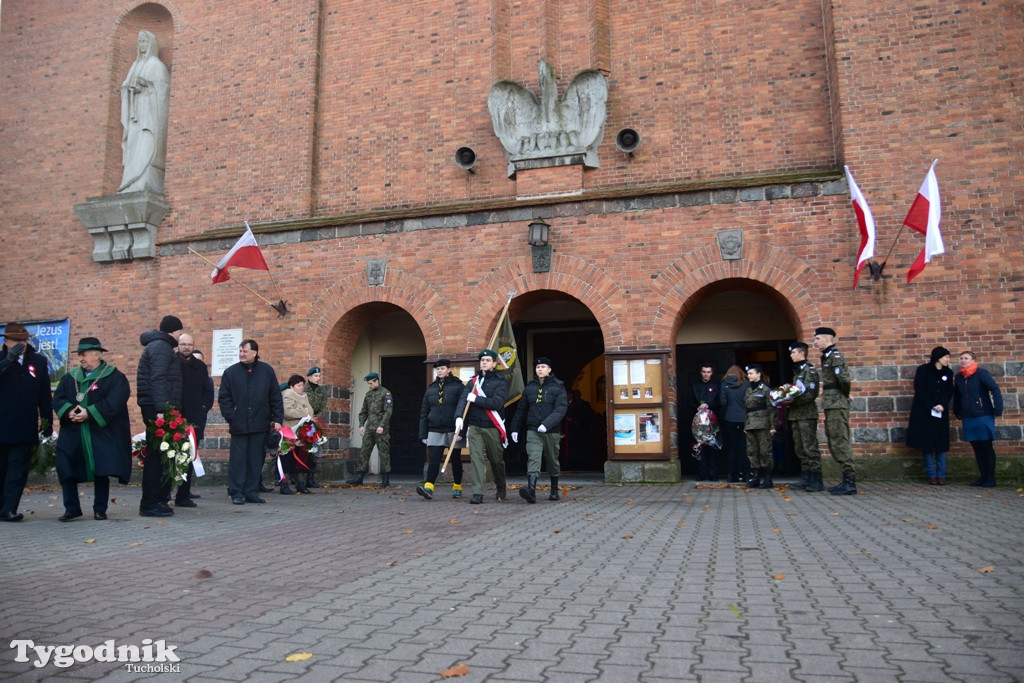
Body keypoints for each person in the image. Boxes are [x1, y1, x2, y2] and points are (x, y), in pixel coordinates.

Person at [53, 338, 132, 521]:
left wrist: (90, 413)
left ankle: (100, 508)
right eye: (79, 355)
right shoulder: (70, 377)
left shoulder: (114, 377)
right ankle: (71, 507)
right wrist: (69, 411)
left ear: (97, 354)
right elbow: (58, 399)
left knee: (101, 469)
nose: (80, 358)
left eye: (84, 354)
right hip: (73, 432)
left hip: (100, 430)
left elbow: (116, 401)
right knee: (65, 466)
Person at [218, 339, 283, 504]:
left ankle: (252, 491)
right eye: (240, 351)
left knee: (256, 460)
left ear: (254, 352)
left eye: (245, 351)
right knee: (238, 461)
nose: (241, 354)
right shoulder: (231, 372)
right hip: (239, 424)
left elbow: (275, 396)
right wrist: (231, 415)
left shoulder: (266, 371)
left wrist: (277, 419)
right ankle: (237, 492)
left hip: (260, 424)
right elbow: (224, 398)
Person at [0, 323, 53, 522]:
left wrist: (47, 422)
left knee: (17, 471)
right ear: (6, 342)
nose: (21, 344)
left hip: (24, 426)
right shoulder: (2, 359)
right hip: (2, 425)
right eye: (17, 341)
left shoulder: (38, 361)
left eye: (24, 340)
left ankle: (9, 508)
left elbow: (44, 395)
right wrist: (8, 360)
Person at [136, 315, 183, 517]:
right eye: (180, 330)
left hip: (155, 405)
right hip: (157, 408)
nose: (181, 334)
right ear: (173, 330)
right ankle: (149, 503)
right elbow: (158, 379)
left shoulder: (159, 346)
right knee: (156, 456)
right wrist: (162, 410)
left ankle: (156, 500)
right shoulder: (161, 347)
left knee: (159, 455)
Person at [454, 349, 509, 505]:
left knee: (496, 460)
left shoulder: (501, 381)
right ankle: (478, 492)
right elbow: (463, 400)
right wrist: (458, 416)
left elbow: (496, 403)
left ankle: (501, 486)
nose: (484, 362)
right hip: (475, 425)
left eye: (487, 360)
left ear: (494, 363)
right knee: (476, 459)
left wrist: (476, 399)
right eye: (482, 360)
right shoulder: (473, 381)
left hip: (492, 426)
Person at [118, 30, 170, 194]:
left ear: (151, 44)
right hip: (135, 115)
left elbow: (163, 91)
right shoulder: (135, 65)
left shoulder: (156, 65)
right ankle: (130, 181)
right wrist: (128, 89)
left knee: (146, 144)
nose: (142, 45)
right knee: (134, 146)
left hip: (148, 116)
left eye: (145, 42)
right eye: (140, 42)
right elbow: (124, 87)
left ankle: (145, 178)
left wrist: (146, 85)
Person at [511, 357, 568, 503]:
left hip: (551, 431)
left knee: (552, 461)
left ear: (549, 369)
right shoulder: (529, 387)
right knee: (533, 458)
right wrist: (515, 429)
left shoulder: (558, 387)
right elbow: (521, 410)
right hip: (533, 430)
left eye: (543, 367)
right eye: (538, 367)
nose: (540, 369)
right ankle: (531, 491)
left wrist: (547, 424)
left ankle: (554, 490)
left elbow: (561, 409)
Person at [172, 334, 213, 507]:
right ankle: (164, 494)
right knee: (170, 455)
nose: (186, 347)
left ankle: (183, 495)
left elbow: (207, 390)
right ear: (177, 346)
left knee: (188, 457)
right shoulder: (171, 363)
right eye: (183, 344)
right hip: (174, 417)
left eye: (190, 344)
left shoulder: (200, 367)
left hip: (194, 418)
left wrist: (202, 408)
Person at [814, 327, 856, 496]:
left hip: (837, 403)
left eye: (817, 339)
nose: (815, 342)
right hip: (832, 404)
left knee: (840, 440)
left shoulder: (834, 356)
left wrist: (845, 394)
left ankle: (850, 482)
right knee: (834, 439)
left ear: (826, 339)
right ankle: (846, 480)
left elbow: (844, 379)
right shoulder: (827, 356)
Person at [416, 359, 466, 500]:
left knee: (455, 459)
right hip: (434, 429)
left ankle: (457, 487)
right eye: (437, 369)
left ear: (449, 369)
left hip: (452, 429)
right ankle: (428, 488)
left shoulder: (458, 386)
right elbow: (424, 413)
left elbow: (464, 409)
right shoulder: (431, 388)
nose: (439, 371)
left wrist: (461, 431)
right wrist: (423, 433)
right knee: (434, 459)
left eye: (442, 368)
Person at [953, 351, 1003, 487]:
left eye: (966, 358)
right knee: (976, 447)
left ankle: (990, 479)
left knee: (986, 446)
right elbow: (957, 395)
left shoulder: (981, 373)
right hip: (968, 416)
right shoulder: (959, 377)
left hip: (983, 414)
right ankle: (983, 477)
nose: (963, 360)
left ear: (973, 360)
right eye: (961, 358)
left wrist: (998, 408)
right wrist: (957, 410)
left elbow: (995, 389)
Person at [906, 346, 955, 485]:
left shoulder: (948, 372)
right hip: (925, 412)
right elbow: (920, 389)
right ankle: (932, 475)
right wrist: (931, 405)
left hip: (940, 412)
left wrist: (942, 404)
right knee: (927, 444)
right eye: (946, 357)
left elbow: (949, 391)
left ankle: (942, 475)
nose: (948, 359)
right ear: (938, 357)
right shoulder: (924, 370)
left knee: (941, 444)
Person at [787, 342, 823, 492]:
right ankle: (806, 477)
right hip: (796, 415)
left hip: (806, 414)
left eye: (793, 352)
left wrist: (792, 400)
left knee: (810, 447)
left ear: (802, 353)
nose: (791, 355)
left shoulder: (810, 370)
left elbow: (810, 393)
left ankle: (817, 480)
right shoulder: (798, 371)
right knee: (800, 448)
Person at [347, 372, 393, 487]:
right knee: (364, 452)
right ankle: (359, 476)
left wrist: (382, 426)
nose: (369, 385)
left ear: (377, 381)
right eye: (368, 384)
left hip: (381, 429)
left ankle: (385, 478)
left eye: (371, 383)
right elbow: (363, 412)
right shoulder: (368, 395)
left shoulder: (386, 393)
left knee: (383, 452)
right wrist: (361, 425)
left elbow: (388, 412)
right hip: (369, 428)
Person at [281, 374, 315, 495]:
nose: (301, 388)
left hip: (302, 432)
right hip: (289, 431)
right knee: (287, 458)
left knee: (302, 458)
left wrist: (307, 414)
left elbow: (310, 411)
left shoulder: (304, 397)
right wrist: (303, 412)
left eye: (302, 385)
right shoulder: (288, 396)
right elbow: (287, 413)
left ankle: (301, 484)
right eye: (298, 385)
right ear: (292, 386)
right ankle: (284, 485)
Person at [743, 364, 777, 489]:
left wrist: (773, 426)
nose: (749, 375)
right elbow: (746, 409)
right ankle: (756, 477)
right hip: (750, 425)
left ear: (758, 374)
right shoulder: (748, 390)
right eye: (748, 373)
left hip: (763, 425)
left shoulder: (766, 389)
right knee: (752, 451)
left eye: (751, 373)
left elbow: (772, 409)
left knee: (765, 451)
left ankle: (768, 479)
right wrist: (745, 425)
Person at [688, 363, 723, 481]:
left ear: (712, 373)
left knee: (713, 447)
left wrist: (709, 405)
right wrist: (697, 407)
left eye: (708, 372)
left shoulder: (717, 385)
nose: (706, 374)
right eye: (704, 371)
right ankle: (702, 473)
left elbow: (721, 402)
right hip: (698, 422)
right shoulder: (694, 385)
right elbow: (689, 402)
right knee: (699, 447)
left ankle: (713, 474)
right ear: (700, 372)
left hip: (713, 422)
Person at [718, 364, 750, 483]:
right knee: (744, 447)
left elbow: (723, 402)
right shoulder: (746, 384)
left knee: (732, 447)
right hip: (744, 419)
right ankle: (746, 474)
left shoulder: (724, 384)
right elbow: (749, 401)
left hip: (730, 418)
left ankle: (731, 475)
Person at [303, 366, 327, 488]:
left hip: (315, 423)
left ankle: (310, 478)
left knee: (314, 450)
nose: (318, 378)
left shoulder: (321, 391)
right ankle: (296, 477)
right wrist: (307, 417)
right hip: (304, 421)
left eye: (319, 376)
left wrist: (317, 418)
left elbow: (323, 407)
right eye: (315, 376)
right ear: (309, 377)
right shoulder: (303, 389)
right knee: (302, 450)